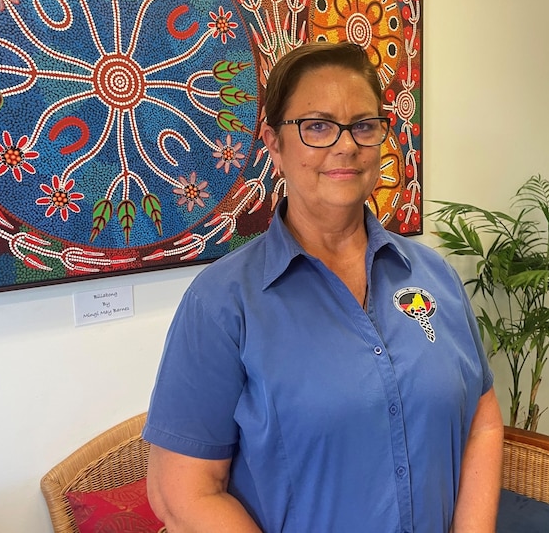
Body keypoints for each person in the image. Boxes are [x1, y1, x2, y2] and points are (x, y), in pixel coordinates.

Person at [143, 41, 504, 533]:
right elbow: (181, 491)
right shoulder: (223, 303)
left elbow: (481, 416)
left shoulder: (433, 276)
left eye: (363, 124)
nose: (346, 144)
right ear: (274, 143)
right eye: (316, 125)